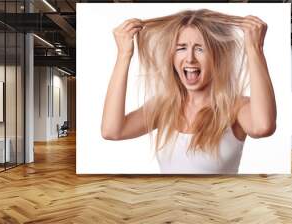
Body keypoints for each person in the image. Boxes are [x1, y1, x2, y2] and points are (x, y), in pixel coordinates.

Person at [101, 9, 276, 174]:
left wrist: (255, 49)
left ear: (218, 57)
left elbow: (263, 127)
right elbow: (112, 131)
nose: (190, 58)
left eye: (201, 48)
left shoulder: (236, 107)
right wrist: (123, 55)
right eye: (181, 48)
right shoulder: (163, 106)